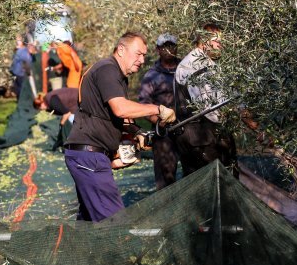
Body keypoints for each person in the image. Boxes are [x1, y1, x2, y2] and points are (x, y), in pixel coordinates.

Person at [63, 32, 176, 222]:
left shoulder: (117, 75)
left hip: (90, 156)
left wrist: (136, 132)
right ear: (121, 50)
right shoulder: (108, 70)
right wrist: (158, 108)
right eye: (138, 54)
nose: (142, 60)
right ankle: (124, 252)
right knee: (115, 224)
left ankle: (78, 251)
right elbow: (121, 109)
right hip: (89, 157)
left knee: (88, 224)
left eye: (144, 56)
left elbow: (108, 115)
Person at [172, 24, 238, 177]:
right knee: (214, 187)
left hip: (200, 139)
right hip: (201, 141)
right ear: (204, 42)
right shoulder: (195, 66)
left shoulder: (205, 63)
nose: (222, 45)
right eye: (218, 41)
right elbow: (211, 111)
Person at [138, 33, 181, 189]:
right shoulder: (151, 76)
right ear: (157, 49)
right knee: (166, 177)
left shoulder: (186, 70)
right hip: (163, 134)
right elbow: (143, 105)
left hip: (188, 130)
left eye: (171, 46)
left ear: (176, 48)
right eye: (164, 47)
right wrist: (160, 122)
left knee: (195, 171)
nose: (168, 50)